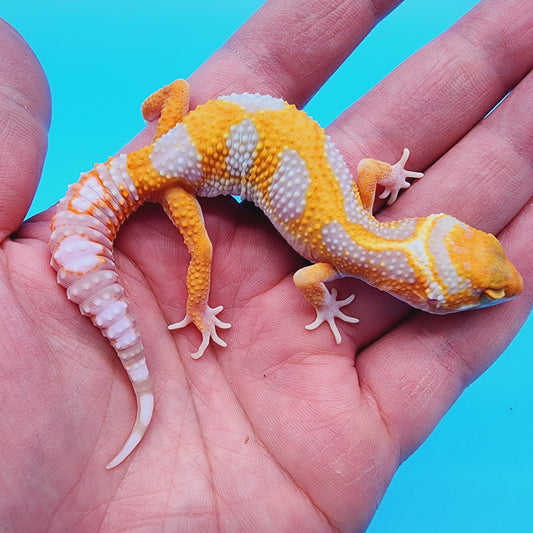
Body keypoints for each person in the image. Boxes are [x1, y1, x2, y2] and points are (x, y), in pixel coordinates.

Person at [1, 0, 531, 530]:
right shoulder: (343, 255)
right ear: (421, 292)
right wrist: (316, 306)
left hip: (180, 133)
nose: (500, 290)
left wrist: (387, 179)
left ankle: (163, 124)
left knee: (178, 96)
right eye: (481, 294)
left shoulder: (356, 232)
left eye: (482, 290)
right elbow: (307, 276)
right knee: (200, 251)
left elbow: (367, 173)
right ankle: (195, 310)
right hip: (176, 176)